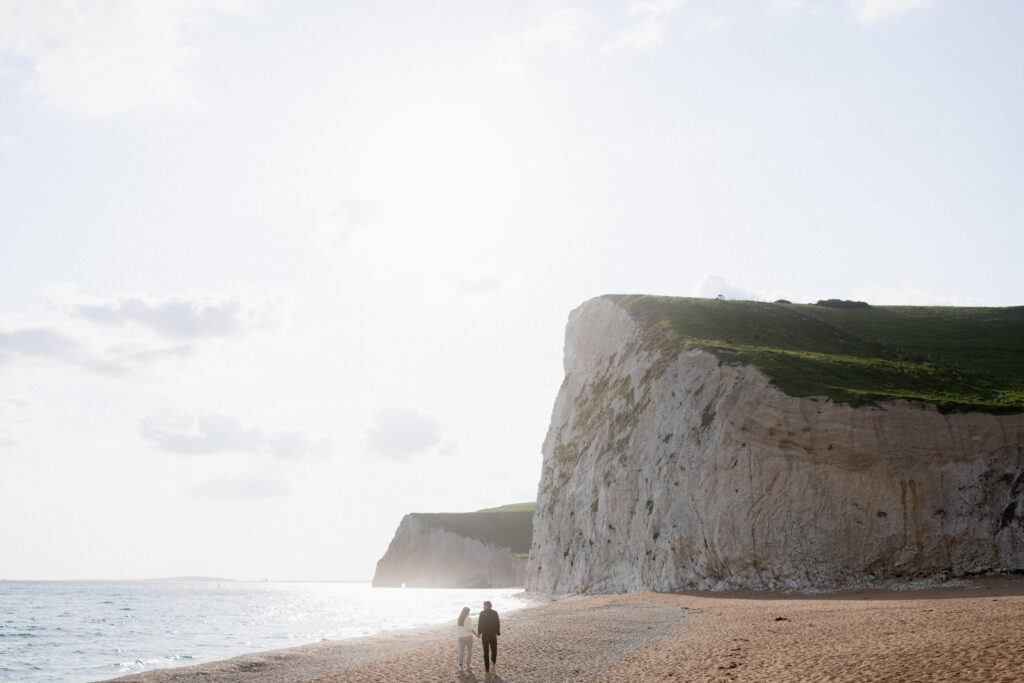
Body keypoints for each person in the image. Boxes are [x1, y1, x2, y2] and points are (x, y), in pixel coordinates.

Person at [477, 600, 500, 675]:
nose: (483, 606)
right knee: (494, 651)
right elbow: (497, 623)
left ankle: (487, 668)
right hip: (493, 635)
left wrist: (479, 632)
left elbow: (479, 623)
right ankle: (493, 664)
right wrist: (498, 632)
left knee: (486, 652)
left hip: (485, 635)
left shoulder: (482, 613)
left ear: (487, 605)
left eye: (484, 605)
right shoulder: (495, 613)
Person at [456, 606, 478, 672]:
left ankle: (460, 667)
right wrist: (477, 635)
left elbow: (458, 629)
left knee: (461, 652)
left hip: (460, 637)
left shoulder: (459, 618)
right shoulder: (468, 618)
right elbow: (470, 629)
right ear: (467, 612)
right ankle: (468, 665)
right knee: (469, 651)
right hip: (468, 637)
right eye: (469, 611)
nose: (469, 613)